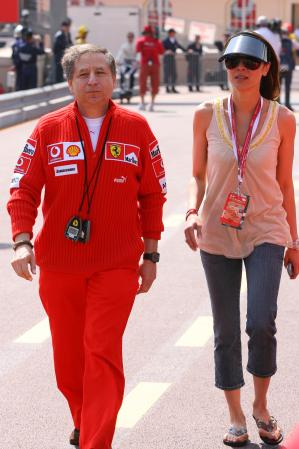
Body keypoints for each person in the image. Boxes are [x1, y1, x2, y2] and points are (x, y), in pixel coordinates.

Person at [7, 43, 166, 449]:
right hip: (59, 264)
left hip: (116, 264)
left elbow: (152, 195)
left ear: (114, 79)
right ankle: (83, 419)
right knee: (69, 361)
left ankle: (96, 441)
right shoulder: (48, 128)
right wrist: (22, 241)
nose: (93, 80)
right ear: (69, 82)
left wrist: (150, 253)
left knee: (102, 351)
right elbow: (22, 190)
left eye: (101, 72)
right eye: (83, 74)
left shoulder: (137, 128)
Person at [184, 30, 299, 447]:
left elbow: (285, 184)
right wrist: (191, 212)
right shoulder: (205, 114)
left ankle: (261, 405)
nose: (241, 70)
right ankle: (235, 415)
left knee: (261, 322)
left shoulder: (283, 118)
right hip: (216, 231)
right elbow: (197, 176)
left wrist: (295, 241)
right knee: (226, 329)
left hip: (267, 228)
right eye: (233, 63)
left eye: (251, 63)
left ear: (266, 68)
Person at [136, 25, 164, 111]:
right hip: (154, 64)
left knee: (143, 83)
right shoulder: (157, 41)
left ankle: (143, 103)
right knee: (154, 84)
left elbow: (137, 50)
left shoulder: (141, 41)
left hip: (145, 64)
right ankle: (151, 103)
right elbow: (162, 51)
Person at [163, 28, 186, 93]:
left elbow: (180, 47)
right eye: (172, 33)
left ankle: (173, 87)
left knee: (173, 73)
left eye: (174, 33)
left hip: (172, 58)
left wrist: (187, 50)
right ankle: (167, 88)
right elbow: (162, 49)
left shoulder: (175, 41)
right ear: (169, 33)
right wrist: (167, 51)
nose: (173, 34)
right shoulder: (165, 41)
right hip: (167, 59)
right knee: (167, 73)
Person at [280, 25, 296, 111]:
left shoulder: (278, 41)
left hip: (280, 67)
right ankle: (287, 104)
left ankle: (277, 103)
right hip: (288, 66)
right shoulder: (291, 41)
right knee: (287, 86)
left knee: (278, 86)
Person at [11, 24, 24, 91]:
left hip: (21, 65)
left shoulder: (18, 43)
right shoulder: (18, 43)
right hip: (20, 65)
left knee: (20, 81)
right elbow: (14, 55)